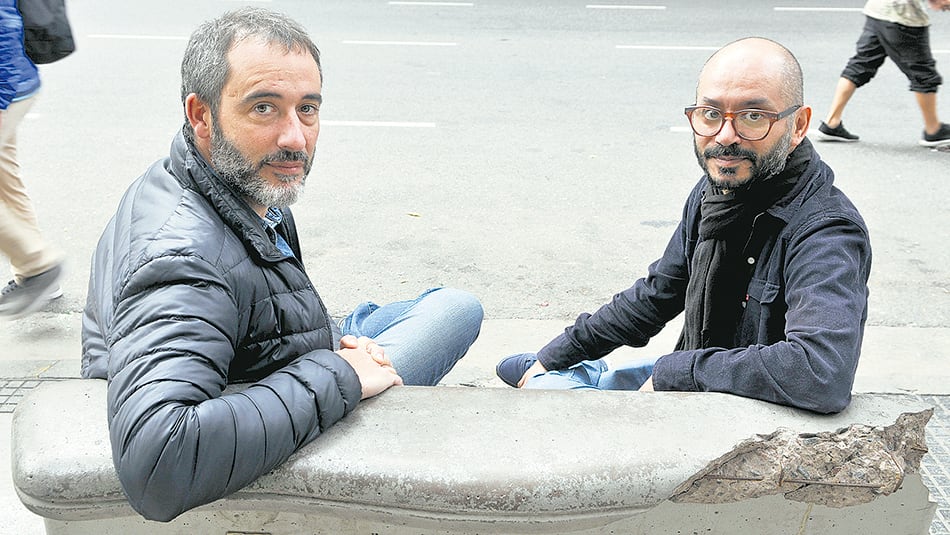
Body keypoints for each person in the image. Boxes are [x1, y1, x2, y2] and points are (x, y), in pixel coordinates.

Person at [81, 8, 483, 522]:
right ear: (200, 115)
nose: (295, 138)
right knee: (448, 317)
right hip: (270, 387)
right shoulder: (185, 258)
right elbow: (159, 461)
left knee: (456, 306)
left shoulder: (225, 181)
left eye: (308, 108)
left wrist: (331, 351)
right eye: (264, 108)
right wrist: (342, 374)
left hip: (276, 357)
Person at [496, 37, 872, 415]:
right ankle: (581, 374)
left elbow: (821, 372)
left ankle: (587, 380)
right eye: (711, 114)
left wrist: (676, 373)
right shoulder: (718, 191)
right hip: (697, 385)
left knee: (560, 400)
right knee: (545, 378)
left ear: (798, 125)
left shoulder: (826, 231)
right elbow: (659, 292)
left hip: (741, 418)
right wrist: (557, 354)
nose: (726, 136)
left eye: (753, 116)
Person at [0, 0, 64, 319]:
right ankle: (34, 274)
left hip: (5, 90)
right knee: (6, 180)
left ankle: (39, 264)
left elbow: (3, 28)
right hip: (16, 85)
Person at [817, 0, 950, 146]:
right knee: (923, 74)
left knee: (859, 65)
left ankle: (831, 123)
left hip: (877, 11)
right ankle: (933, 130)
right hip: (902, 17)